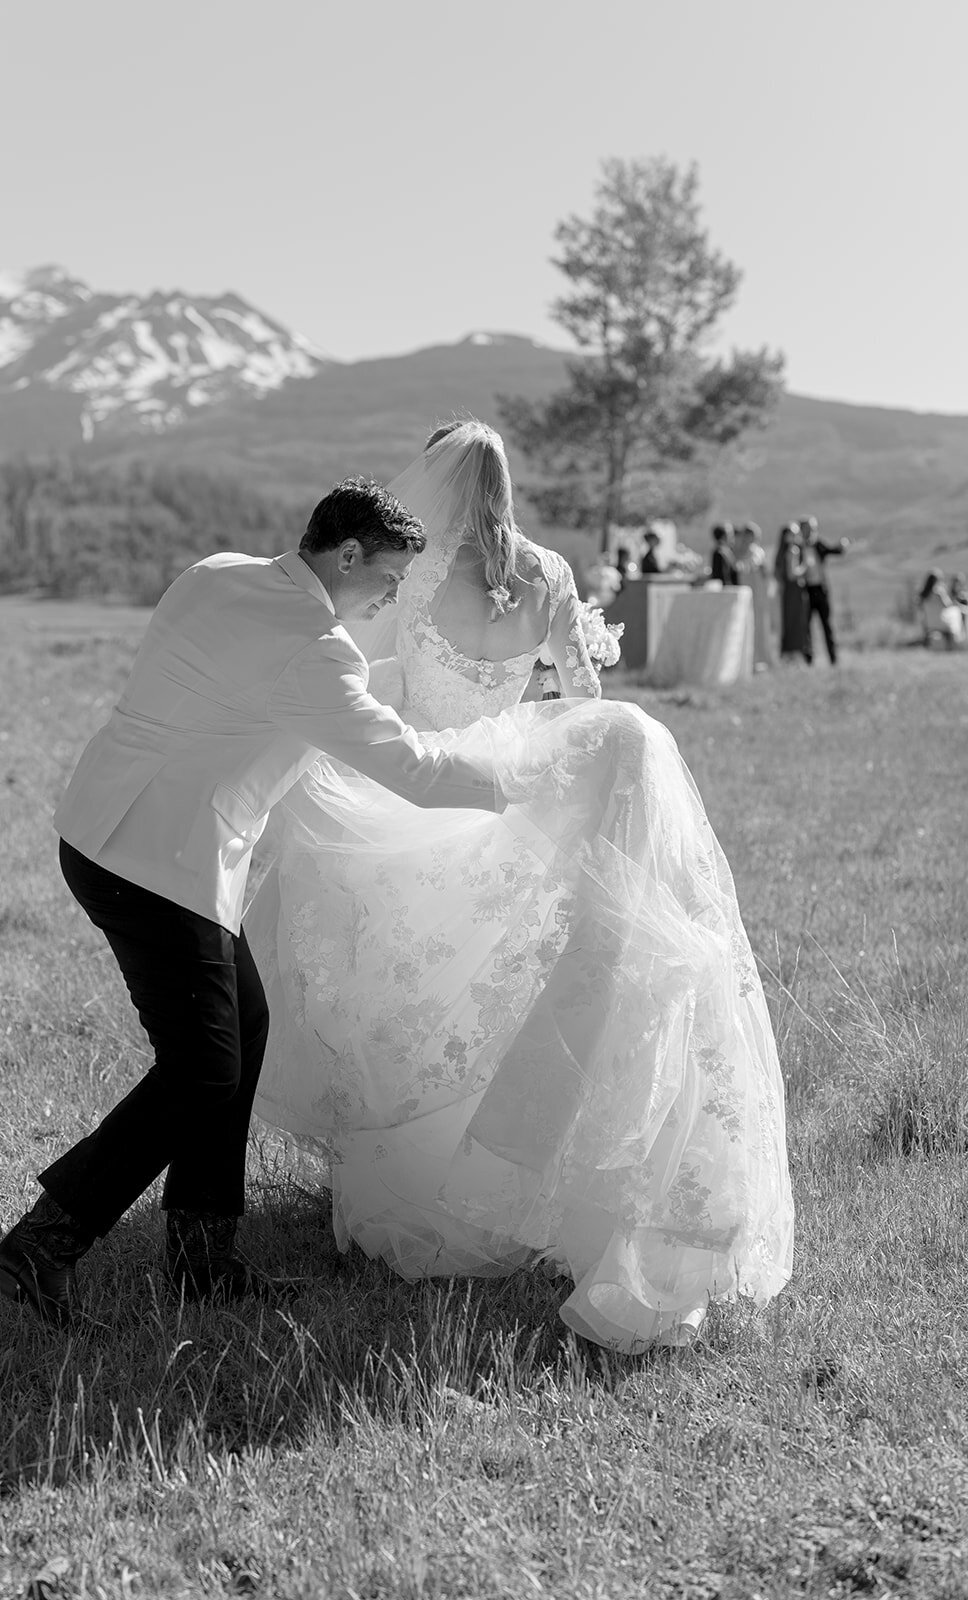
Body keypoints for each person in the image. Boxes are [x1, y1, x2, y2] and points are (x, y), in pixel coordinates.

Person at [245, 421, 793, 1351]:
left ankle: (429, 1186)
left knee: (419, 977)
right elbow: (580, 701)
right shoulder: (546, 572)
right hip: (513, 785)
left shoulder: (411, 572)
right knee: (526, 977)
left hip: (432, 783)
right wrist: (523, 696)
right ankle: (533, 1183)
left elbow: (373, 686)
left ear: (435, 486)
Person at [0, 479, 507, 1328]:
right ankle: (45, 1243)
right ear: (346, 556)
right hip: (158, 863)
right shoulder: (315, 649)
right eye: (386, 577)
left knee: (244, 1027)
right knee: (202, 1068)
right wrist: (518, 783)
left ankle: (203, 1258)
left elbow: (267, 682)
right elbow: (407, 767)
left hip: (99, 830)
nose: (390, 595)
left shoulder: (216, 573)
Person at [798, 515, 849, 665]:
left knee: (826, 625)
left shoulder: (818, 545)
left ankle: (833, 659)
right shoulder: (798, 548)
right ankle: (808, 659)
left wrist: (842, 546)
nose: (811, 532)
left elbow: (834, 551)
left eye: (813, 529)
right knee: (806, 627)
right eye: (808, 529)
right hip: (805, 591)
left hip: (820, 590)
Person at [732, 522, 776, 670]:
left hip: (756, 595)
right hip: (745, 594)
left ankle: (759, 659)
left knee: (758, 627)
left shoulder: (756, 552)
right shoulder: (738, 551)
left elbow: (757, 567)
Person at [774, 523, 810, 662]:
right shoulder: (793, 550)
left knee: (789, 621)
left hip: (787, 591)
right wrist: (804, 566)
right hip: (794, 590)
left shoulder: (782, 552)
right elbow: (792, 574)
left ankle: (789, 654)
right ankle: (794, 654)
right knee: (795, 621)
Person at [918, 570, 965, 648]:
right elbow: (948, 605)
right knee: (958, 612)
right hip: (941, 622)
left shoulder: (923, 594)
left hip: (929, 623)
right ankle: (961, 639)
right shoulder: (939, 592)